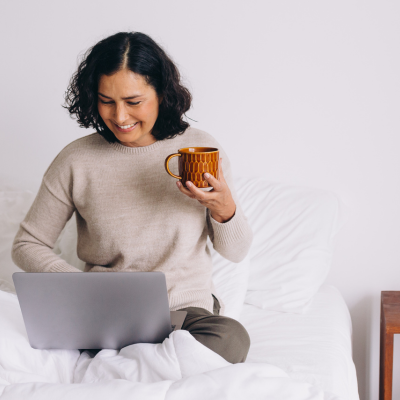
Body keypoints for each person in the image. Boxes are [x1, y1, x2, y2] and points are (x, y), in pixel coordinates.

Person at [11, 32, 253, 364]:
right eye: (106, 101)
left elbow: (236, 252)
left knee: (232, 338)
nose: (120, 117)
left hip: (184, 315)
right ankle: (144, 369)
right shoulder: (76, 159)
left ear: (161, 94)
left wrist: (224, 208)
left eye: (133, 101)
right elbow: (27, 244)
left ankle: (118, 370)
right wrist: (79, 287)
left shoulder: (199, 149)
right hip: (104, 315)